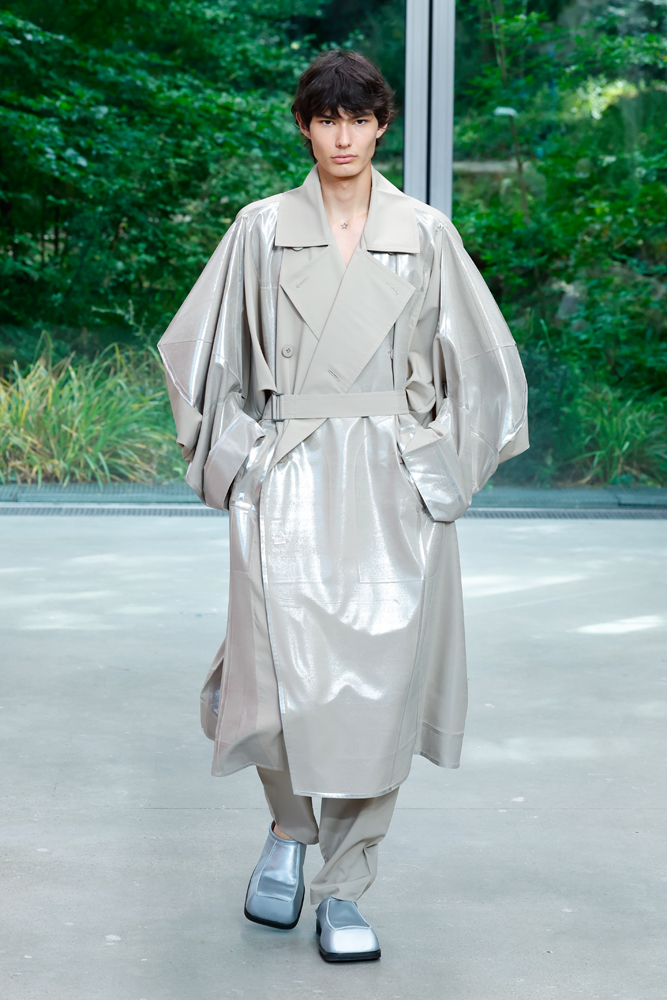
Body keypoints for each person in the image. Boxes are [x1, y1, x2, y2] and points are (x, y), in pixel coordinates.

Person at [158, 49, 528, 964]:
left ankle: (345, 883)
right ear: (304, 126)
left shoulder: (424, 233)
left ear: (381, 125)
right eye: (326, 119)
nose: (343, 137)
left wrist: (435, 469)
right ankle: (289, 831)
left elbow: (485, 367)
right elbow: (199, 354)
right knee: (272, 680)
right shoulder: (259, 229)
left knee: (380, 689)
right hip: (285, 477)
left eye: (358, 119)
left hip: (389, 488)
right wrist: (242, 461)